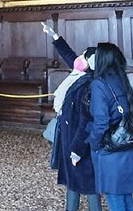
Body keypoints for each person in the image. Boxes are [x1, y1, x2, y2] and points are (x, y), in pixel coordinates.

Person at [42, 23, 102, 211]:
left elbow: (88, 120)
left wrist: (77, 148)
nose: (79, 57)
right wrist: (54, 36)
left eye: (84, 55)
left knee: (87, 179)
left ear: (91, 63)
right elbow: (68, 54)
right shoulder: (79, 72)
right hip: (69, 132)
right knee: (71, 176)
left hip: (79, 136)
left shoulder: (89, 83)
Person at [86, 42, 133, 211]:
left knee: (115, 199)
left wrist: (94, 143)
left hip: (111, 150)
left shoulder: (99, 84)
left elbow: (101, 122)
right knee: (125, 197)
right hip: (127, 144)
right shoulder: (121, 79)